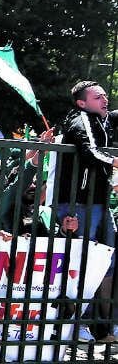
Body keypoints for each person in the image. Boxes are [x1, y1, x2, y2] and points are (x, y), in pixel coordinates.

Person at [57, 80, 118, 340]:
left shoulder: (103, 120)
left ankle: (104, 325)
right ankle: (77, 325)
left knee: (108, 263)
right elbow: (89, 151)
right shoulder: (80, 119)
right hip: (79, 204)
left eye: (105, 96)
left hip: (99, 203)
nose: (104, 100)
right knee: (81, 265)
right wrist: (116, 161)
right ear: (82, 102)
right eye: (97, 97)